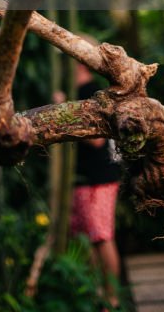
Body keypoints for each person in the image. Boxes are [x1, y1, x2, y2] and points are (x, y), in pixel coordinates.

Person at [55, 60, 122, 308]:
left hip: (98, 179)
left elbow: (95, 141)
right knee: (90, 239)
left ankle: (112, 298)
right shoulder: (88, 93)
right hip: (90, 179)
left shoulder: (89, 94)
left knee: (102, 236)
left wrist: (63, 111)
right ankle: (98, 295)